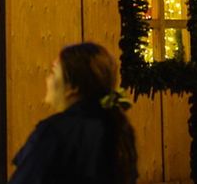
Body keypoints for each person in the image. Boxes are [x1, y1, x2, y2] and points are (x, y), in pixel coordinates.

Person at [7, 42, 138, 184]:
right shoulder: (118, 126)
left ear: (73, 87)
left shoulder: (56, 131)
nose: (47, 79)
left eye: (53, 72)